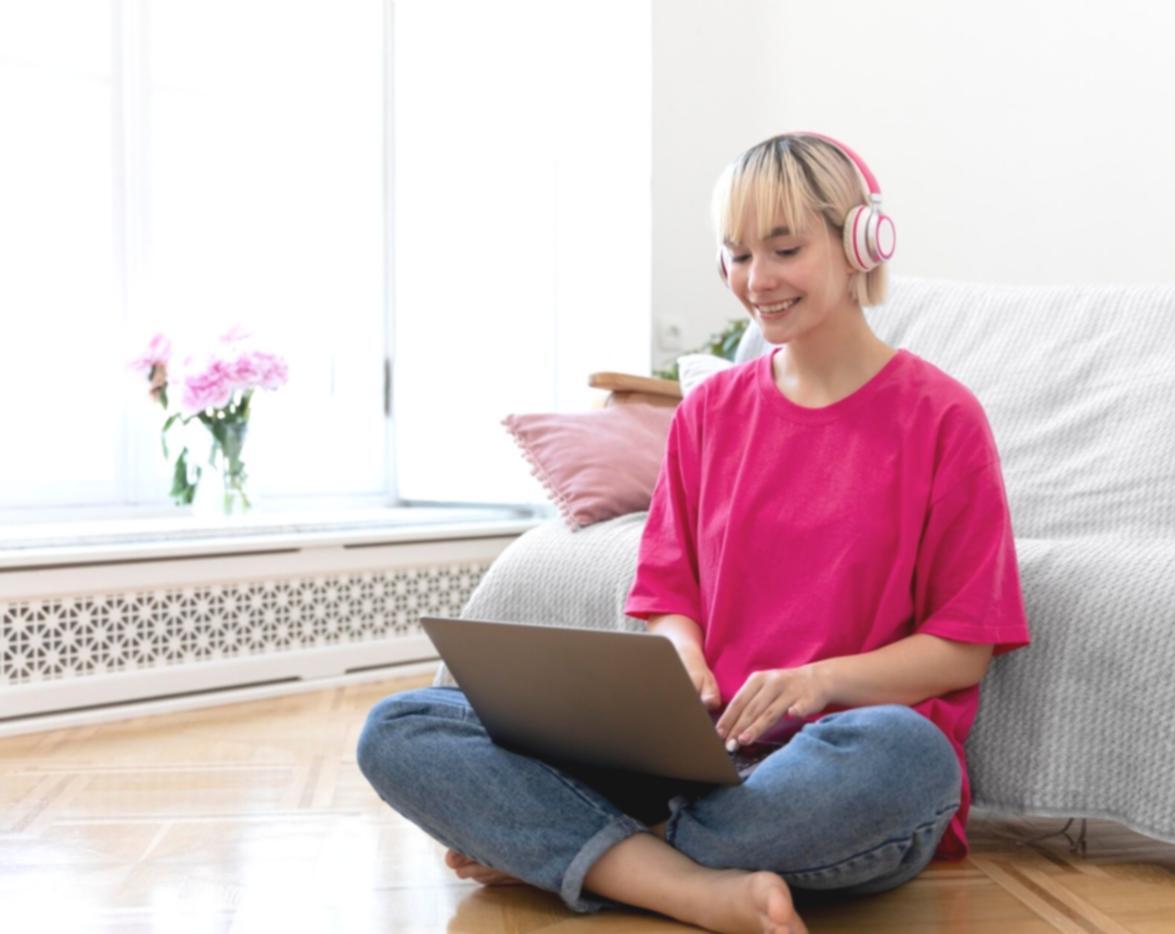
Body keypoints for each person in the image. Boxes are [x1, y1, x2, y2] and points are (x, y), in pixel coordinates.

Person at [356, 131, 1031, 934]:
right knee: (401, 726)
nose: (758, 280)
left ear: (861, 243)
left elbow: (963, 647)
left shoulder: (942, 418)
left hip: (834, 762)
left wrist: (817, 682)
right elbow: (667, 596)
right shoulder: (708, 414)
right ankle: (686, 882)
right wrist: (680, 654)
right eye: (737, 254)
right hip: (688, 763)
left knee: (908, 759)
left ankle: (583, 849)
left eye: (784, 248)